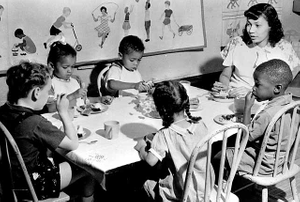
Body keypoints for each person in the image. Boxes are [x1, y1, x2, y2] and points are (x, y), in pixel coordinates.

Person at [0, 62, 95, 201]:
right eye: (49, 90)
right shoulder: (35, 122)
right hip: (33, 185)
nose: (50, 95)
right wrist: (63, 112)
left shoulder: (3, 111)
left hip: (9, 180)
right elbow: (73, 144)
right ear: (36, 92)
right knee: (87, 169)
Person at [213, 59, 297, 179]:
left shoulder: (268, 114)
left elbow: (246, 137)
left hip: (264, 165)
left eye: (257, 85)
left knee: (217, 153)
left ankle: (218, 187)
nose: (253, 88)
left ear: (277, 88)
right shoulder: (292, 105)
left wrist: (247, 107)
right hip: (281, 160)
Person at [134, 81, 214, 202]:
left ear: (161, 109)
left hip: (184, 194)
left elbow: (151, 161)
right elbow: (187, 141)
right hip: (205, 188)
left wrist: (142, 147)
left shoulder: (164, 134)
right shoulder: (200, 124)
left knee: (145, 183)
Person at [212, 3, 300, 98]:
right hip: (233, 96)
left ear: (271, 26)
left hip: (265, 102)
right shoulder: (237, 43)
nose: (251, 30)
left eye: (257, 25)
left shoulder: (284, 47)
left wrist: (252, 92)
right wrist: (223, 87)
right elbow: (225, 74)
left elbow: (288, 84)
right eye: (249, 24)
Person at [46, 41, 87, 114]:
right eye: (65, 67)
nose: (70, 71)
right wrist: (73, 96)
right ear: (52, 66)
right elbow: (50, 108)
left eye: (72, 66)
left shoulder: (76, 80)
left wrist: (99, 99)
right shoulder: (49, 84)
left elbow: (83, 101)